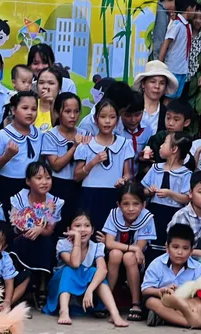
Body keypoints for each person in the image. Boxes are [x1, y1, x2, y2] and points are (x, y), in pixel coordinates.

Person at [43, 213, 126, 327]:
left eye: (87, 226)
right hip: (61, 287)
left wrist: (90, 290)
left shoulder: (97, 246)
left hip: (84, 291)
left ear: (92, 230)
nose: (82, 230)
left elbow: (103, 270)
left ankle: (114, 314)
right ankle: (64, 311)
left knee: (93, 271)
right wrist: (77, 239)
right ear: (69, 229)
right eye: (77, 226)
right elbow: (75, 264)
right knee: (69, 270)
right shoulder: (63, 244)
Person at [74, 99, 133, 230]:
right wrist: (93, 162)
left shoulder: (124, 144)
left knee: (110, 236)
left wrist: (123, 180)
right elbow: (77, 176)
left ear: (117, 120)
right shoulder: (86, 145)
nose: (107, 121)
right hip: (90, 196)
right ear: (95, 119)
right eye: (103, 117)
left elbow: (128, 174)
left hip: (113, 195)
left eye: (112, 117)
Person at [102, 181, 156, 321]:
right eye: (125, 204)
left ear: (143, 205)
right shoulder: (114, 214)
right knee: (115, 254)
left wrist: (133, 249)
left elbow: (140, 247)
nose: (130, 208)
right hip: (116, 257)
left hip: (138, 260)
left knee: (129, 257)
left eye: (136, 204)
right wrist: (131, 248)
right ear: (118, 205)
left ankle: (136, 303)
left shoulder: (147, 217)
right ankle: (108, 299)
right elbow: (109, 243)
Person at [8, 161, 61, 298]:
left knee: (46, 242)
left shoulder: (54, 202)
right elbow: (16, 225)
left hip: (42, 238)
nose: (44, 182)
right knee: (22, 241)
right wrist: (29, 228)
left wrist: (39, 229)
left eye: (48, 178)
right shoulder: (19, 198)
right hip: (22, 235)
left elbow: (49, 229)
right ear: (28, 181)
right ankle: (23, 281)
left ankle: (42, 283)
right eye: (39, 178)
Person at [142, 223, 201, 327]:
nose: (180, 252)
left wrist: (183, 292)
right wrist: (160, 291)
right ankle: (190, 323)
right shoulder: (157, 264)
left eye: (185, 248)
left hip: (187, 304)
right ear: (167, 247)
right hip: (163, 300)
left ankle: (164, 318)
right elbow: (145, 289)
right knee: (150, 301)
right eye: (175, 247)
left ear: (191, 251)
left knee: (200, 304)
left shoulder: (199, 269)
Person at [0, 91, 43, 210]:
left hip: (31, 187)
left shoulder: (39, 134)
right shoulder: (2, 136)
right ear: (13, 110)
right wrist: (6, 156)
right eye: (25, 108)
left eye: (34, 109)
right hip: (7, 185)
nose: (30, 113)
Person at [141, 131, 193, 253]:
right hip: (154, 210)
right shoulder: (155, 168)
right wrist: (149, 191)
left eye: (164, 143)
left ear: (174, 149)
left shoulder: (186, 173)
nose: (160, 146)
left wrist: (170, 193)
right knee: (152, 243)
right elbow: (142, 190)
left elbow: (187, 198)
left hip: (174, 213)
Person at [41, 92, 86, 234]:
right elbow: (56, 165)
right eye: (67, 111)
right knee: (55, 226)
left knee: (76, 225)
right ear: (57, 112)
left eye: (76, 111)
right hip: (57, 185)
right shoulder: (50, 135)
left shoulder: (85, 134)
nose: (73, 116)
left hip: (79, 186)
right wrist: (74, 147)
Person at [159, 0, 195, 98]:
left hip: (182, 69)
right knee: (168, 98)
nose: (194, 13)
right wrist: (160, 66)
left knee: (176, 99)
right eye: (194, 9)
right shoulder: (176, 25)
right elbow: (166, 44)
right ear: (188, 9)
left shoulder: (188, 26)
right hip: (173, 68)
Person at [133, 60, 175, 134]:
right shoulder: (131, 108)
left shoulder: (166, 113)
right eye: (152, 82)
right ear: (143, 84)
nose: (157, 86)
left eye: (162, 83)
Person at [117, 90, 151, 177]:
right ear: (120, 113)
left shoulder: (147, 129)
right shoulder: (114, 130)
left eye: (137, 115)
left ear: (143, 112)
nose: (133, 120)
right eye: (128, 115)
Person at [186, 3, 201, 95]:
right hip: (182, 72)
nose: (197, 21)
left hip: (193, 75)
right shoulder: (185, 32)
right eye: (195, 17)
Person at [34, 66, 61, 131]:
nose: (45, 86)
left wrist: (52, 103)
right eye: (41, 83)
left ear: (59, 88)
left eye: (51, 83)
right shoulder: (29, 106)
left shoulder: (64, 109)